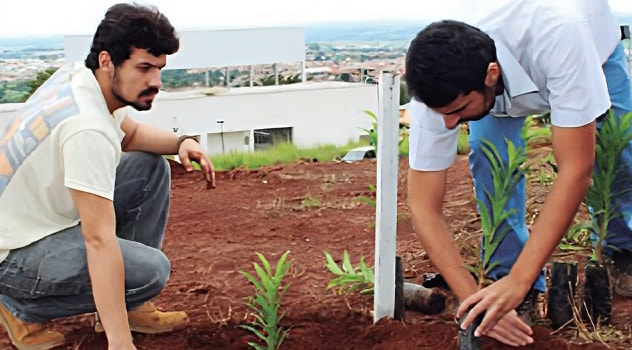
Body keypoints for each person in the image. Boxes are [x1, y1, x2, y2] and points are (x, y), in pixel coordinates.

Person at [405, 0, 632, 347]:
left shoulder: (560, 34)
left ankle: (622, 249)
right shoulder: (437, 87)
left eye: (458, 110)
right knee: (492, 165)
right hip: (504, 72)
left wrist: (524, 278)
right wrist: (473, 303)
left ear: (490, 74)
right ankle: (504, 277)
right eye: (442, 114)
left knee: (618, 154)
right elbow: (424, 207)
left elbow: (576, 170)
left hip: (592, 50)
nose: (450, 124)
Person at [0, 3, 215, 350]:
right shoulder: (87, 128)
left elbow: (128, 136)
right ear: (106, 61)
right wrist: (120, 342)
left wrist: (181, 142)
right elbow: (98, 241)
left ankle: (131, 308)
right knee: (150, 273)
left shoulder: (79, 80)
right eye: (144, 68)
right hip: (11, 254)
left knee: (151, 167)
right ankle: (18, 307)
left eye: (159, 68)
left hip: (27, 221)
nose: (156, 82)